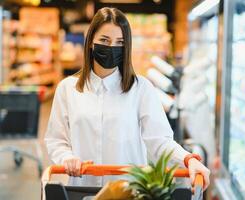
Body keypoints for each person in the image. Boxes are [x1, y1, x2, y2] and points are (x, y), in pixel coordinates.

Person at [44, 7, 210, 189]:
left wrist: (188, 160)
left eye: (119, 42)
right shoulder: (67, 89)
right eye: (104, 40)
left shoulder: (141, 89)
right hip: (82, 188)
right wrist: (66, 158)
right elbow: (56, 139)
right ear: (91, 41)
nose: (111, 47)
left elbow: (160, 140)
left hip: (129, 190)